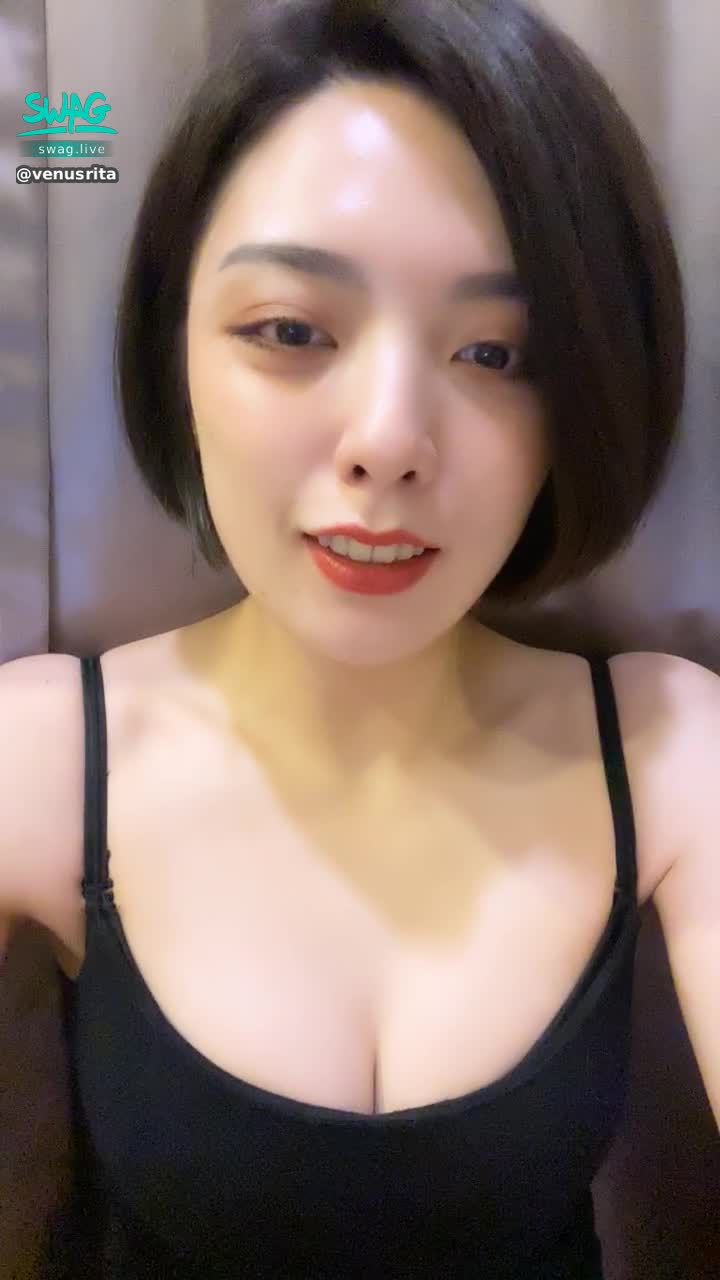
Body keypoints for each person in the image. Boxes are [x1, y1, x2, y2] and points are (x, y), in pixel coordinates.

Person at [1, 0, 717, 1275]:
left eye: (494, 351)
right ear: (176, 345)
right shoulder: (41, 755)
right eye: (291, 331)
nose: (388, 439)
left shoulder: (670, 752)